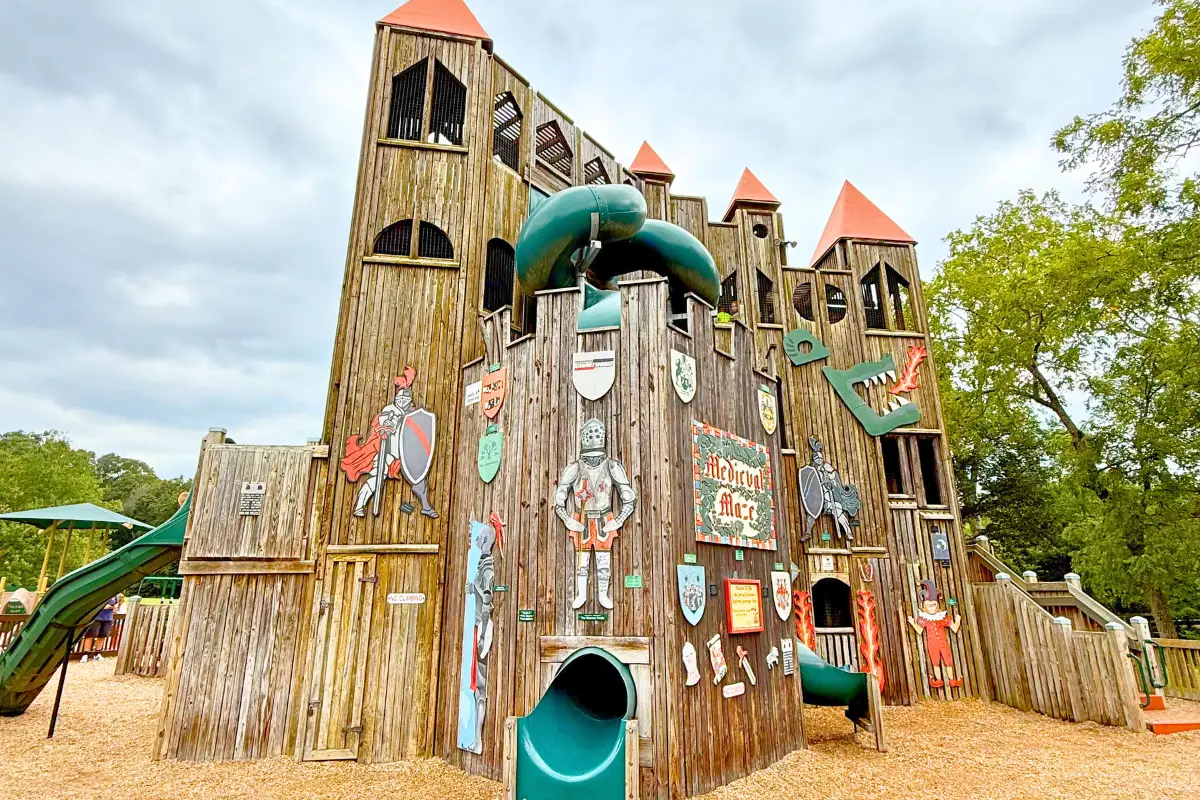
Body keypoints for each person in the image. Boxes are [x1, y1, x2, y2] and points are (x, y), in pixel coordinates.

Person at [554, 419, 637, 610]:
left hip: (603, 517)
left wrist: (618, 520)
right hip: (580, 519)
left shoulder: (612, 466)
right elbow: (560, 497)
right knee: (581, 560)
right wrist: (567, 520)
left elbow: (628, 496)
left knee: (603, 559)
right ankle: (581, 594)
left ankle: (602, 594)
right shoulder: (575, 467)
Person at [81, 594, 120, 662]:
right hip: (96, 617)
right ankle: (85, 654)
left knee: (102, 636)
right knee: (90, 635)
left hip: (108, 618)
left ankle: (97, 653)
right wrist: (108, 607)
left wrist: (115, 606)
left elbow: (116, 603)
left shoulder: (115, 595)